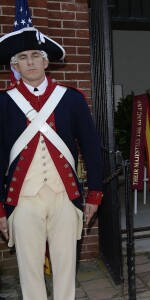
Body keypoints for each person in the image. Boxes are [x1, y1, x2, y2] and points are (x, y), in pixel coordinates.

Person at [0, 27, 103, 300]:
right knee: (29, 271)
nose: (30, 61)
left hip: (64, 195)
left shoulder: (71, 98)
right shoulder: (4, 103)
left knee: (66, 268)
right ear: (15, 66)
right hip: (22, 198)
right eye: (23, 57)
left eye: (36, 55)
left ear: (46, 62)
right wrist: (0, 207)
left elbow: (91, 148)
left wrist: (94, 192)